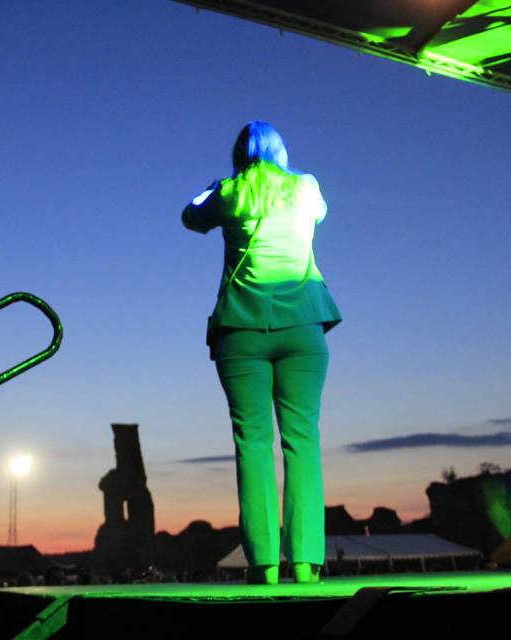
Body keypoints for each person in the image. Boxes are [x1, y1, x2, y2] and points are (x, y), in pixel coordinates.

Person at [181, 121, 342, 584]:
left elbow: (190, 217)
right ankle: (307, 562)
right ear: (282, 151)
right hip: (303, 326)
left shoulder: (229, 192)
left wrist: (211, 187)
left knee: (251, 443)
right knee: (302, 441)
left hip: (241, 328)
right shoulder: (306, 187)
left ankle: (264, 564)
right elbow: (322, 213)